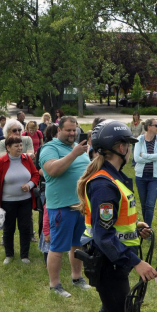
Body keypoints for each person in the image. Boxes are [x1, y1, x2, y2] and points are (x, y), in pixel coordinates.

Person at [48, 120, 157, 312]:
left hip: (113, 261)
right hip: (109, 264)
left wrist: (137, 227)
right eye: (128, 146)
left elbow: (116, 224)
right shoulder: (103, 184)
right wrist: (137, 263)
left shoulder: (114, 178)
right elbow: (104, 236)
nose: (129, 151)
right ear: (120, 148)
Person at [39, 116, 91, 297]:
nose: (72, 133)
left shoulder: (78, 148)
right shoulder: (50, 148)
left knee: (78, 245)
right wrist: (74, 154)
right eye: (68, 130)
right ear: (59, 130)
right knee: (58, 247)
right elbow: (52, 170)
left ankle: (77, 278)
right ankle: (55, 285)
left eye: (74, 129)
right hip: (62, 206)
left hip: (81, 206)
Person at [0, 135, 41, 264]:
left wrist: (29, 185)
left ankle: (24, 256)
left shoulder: (26, 159)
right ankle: (9, 255)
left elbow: (35, 174)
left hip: (26, 200)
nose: (20, 148)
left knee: (25, 228)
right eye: (16, 146)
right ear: (8, 148)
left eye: (20, 145)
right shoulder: (1, 162)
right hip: (8, 202)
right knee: (9, 228)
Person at [133, 118, 157, 227]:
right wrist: (154, 157)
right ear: (149, 127)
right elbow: (137, 158)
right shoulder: (140, 139)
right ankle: (146, 227)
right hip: (141, 176)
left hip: (155, 177)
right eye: (156, 125)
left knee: (150, 204)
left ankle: (148, 229)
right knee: (144, 204)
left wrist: (145, 156)